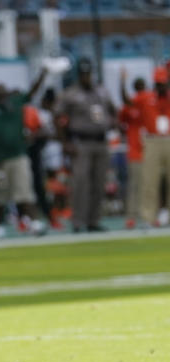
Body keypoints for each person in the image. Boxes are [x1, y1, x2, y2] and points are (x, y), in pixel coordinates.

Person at [0, 71, 49, 234]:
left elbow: (33, 91)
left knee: (24, 191)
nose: (2, 97)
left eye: (3, 93)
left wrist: (43, 73)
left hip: (17, 155)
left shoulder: (16, 103)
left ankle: (29, 221)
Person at [55, 57, 115, 232]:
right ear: (78, 75)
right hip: (80, 142)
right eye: (83, 74)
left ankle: (93, 220)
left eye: (88, 74)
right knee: (81, 182)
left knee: (99, 182)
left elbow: (113, 110)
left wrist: (113, 122)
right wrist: (65, 142)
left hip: (101, 140)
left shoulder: (102, 91)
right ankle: (77, 221)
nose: (86, 77)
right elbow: (58, 118)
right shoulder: (70, 94)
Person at [138, 66, 170, 228]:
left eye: (163, 83)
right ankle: (148, 217)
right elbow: (128, 102)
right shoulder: (146, 97)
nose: (161, 86)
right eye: (158, 83)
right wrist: (122, 82)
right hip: (152, 140)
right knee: (150, 179)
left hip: (169, 138)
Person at [118, 69, 146, 228]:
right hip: (136, 151)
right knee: (135, 185)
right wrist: (121, 83)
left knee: (147, 185)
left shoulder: (149, 101)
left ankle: (147, 214)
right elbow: (125, 104)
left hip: (148, 151)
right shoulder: (133, 104)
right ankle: (132, 216)